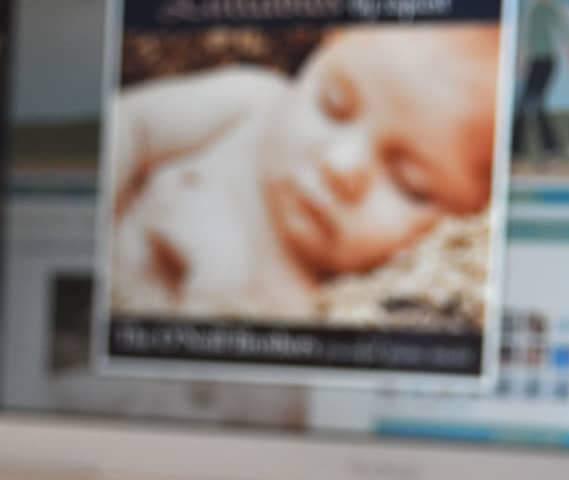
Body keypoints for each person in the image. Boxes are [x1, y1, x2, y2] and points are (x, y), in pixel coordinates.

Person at [111, 24, 500, 321]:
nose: (340, 166)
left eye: (407, 183)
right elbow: (128, 124)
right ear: (316, 57)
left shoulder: (337, 301)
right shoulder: (251, 106)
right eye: (332, 105)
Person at [511, 0, 569, 163]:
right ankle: (525, 149)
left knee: (533, 104)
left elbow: (566, 33)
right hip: (535, 61)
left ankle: (546, 148)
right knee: (529, 104)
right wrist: (524, 62)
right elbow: (530, 37)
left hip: (546, 61)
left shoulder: (550, 10)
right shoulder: (535, 10)